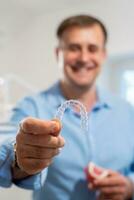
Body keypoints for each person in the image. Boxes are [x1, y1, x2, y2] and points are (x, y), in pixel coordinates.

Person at [0, 14, 134, 200]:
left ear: (103, 55)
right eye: (74, 48)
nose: (84, 57)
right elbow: (6, 143)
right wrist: (21, 157)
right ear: (58, 54)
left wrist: (129, 186)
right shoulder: (32, 107)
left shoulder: (127, 111)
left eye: (92, 48)